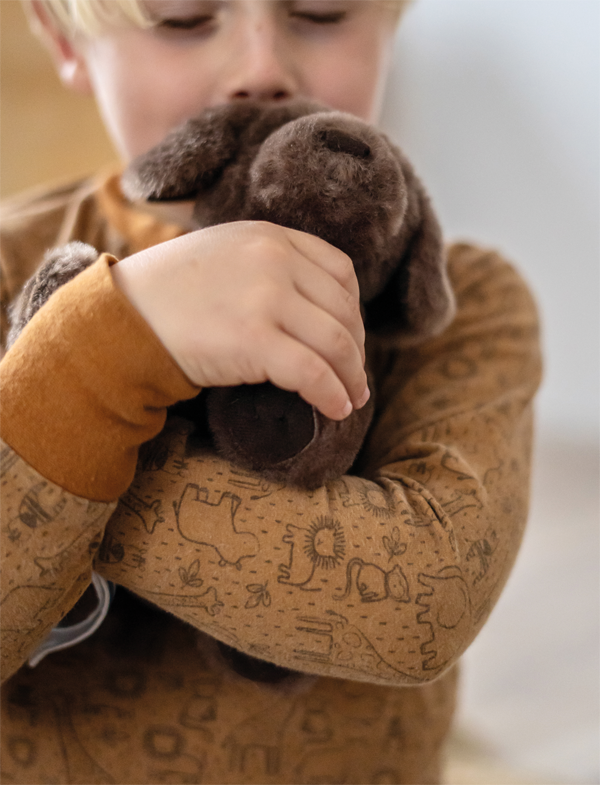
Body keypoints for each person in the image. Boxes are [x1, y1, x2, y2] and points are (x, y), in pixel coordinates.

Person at [0, 0, 542, 782]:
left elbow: (423, 607)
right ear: (65, 41)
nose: (261, 68)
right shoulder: (13, 266)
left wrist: (70, 402)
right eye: (184, 18)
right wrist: (112, 341)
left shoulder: (457, 306)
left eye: (320, 12)